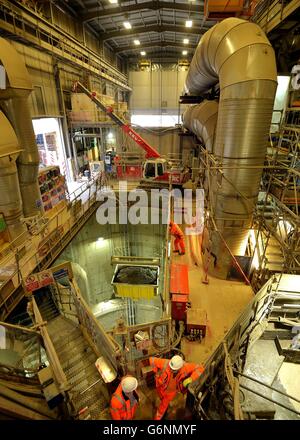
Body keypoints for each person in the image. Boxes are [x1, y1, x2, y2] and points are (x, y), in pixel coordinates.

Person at [149, 354, 204, 420]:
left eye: (174, 370)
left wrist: (191, 378)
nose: (171, 370)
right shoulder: (165, 363)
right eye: (171, 368)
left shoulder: (185, 367)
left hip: (171, 391)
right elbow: (151, 359)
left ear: (180, 368)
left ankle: (158, 418)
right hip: (161, 387)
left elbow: (200, 368)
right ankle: (163, 405)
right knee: (161, 398)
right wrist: (156, 372)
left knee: (163, 406)